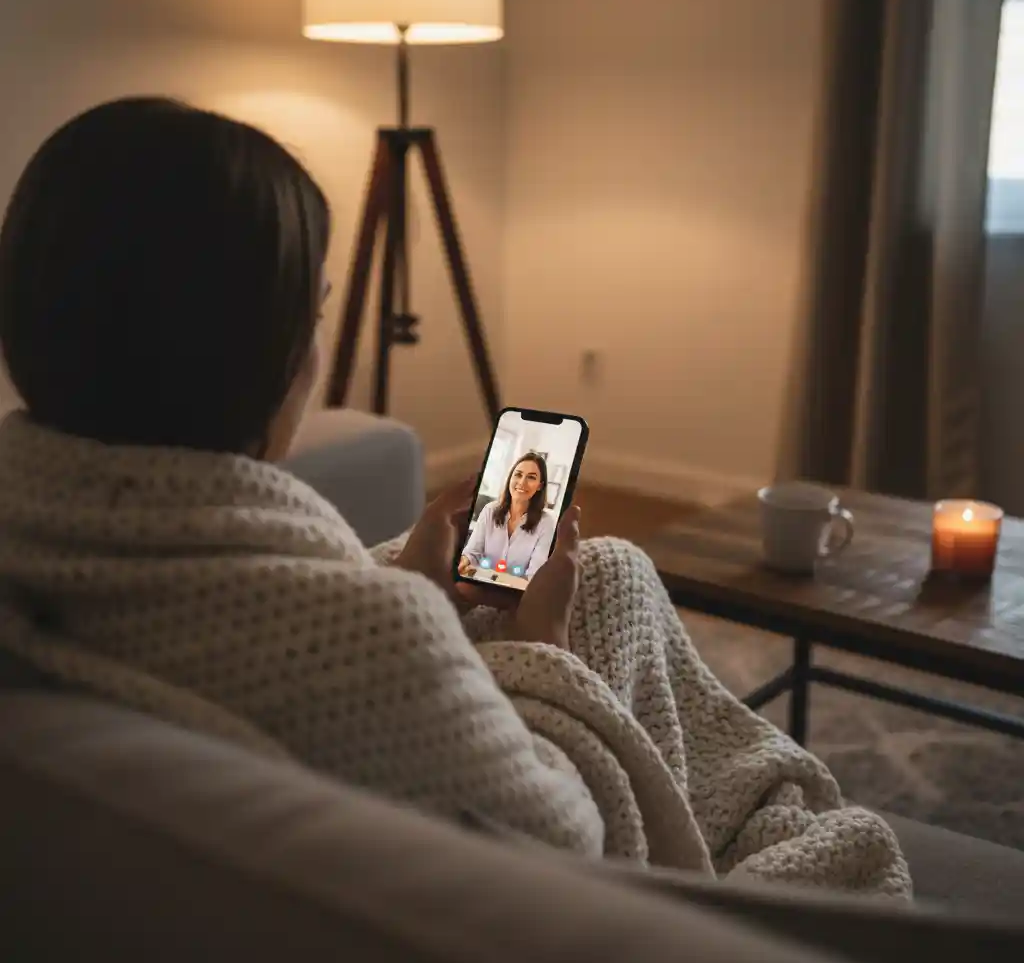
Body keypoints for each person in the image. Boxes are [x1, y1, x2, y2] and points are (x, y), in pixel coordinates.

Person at [0, 98, 910, 894]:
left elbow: (278, 614)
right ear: (246, 356)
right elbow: (564, 842)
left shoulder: (43, 545)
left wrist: (418, 589)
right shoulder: (368, 644)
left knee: (609, 567)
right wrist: (541, 647)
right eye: (313, 319)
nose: (319, 357)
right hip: (561, 871)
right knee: (604, 587)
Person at [459, 453, 555, 581]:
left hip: (514, 594)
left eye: (531, 477)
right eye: (518, 474)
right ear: (510, 478)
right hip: (480, 585)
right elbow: (473, 553)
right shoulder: (490, 510)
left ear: (540, 486)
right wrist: (464, 561)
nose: (522, 482)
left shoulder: (546, 523)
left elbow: (535, 575)